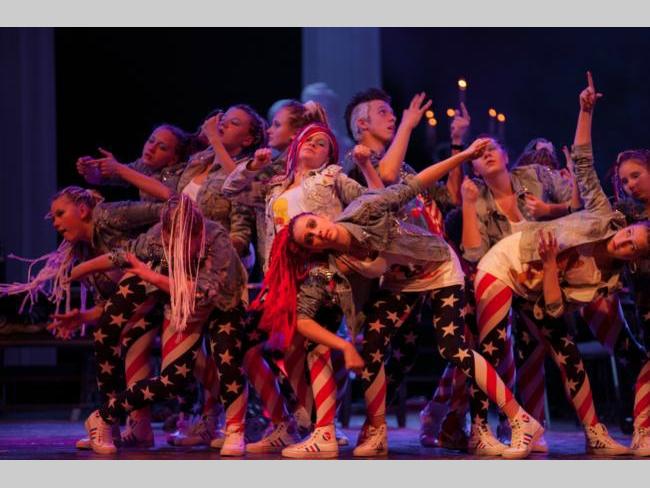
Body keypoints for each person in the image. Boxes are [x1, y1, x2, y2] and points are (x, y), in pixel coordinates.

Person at [257, 137, 545, 459]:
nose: (316, 233)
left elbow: (416, 183)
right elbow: (303, 317)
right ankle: (377, 430)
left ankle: (520, 419)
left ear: (321, 216)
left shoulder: (365, 210)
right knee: (372, 343)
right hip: (401, 283)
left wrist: (464, 154)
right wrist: (345, 346)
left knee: (452, 347)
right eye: (309, 240)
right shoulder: (329, 268)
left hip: (437, 266)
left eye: (312, 225)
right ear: (312, 249)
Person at [472, 72, 647, 456]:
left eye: (631, 247)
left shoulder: (604, 281)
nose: (623, 241)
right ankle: (499, 426)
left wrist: (551, 266)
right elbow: (583, 163)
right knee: (500, 350)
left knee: (569, 353)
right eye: (628, 234)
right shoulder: (603, 215)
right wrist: (586, 111)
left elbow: (554, 307)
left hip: (537, 288)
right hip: (506, 264)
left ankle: (596, 434)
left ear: (633, 258)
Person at [54, 195, 250, 456]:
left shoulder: (217, 239)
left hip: (224, 304)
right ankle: (104, 416)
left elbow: (203, 292)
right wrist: (78, 270)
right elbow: (123, 256)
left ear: (197, 235)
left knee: (226, 357)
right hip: (185, 307)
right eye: (168, 243)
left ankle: (235, 430)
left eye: (180, 245)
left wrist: (150, 275)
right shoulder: (157, 236)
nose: (172, 250)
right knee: (171, 380)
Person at [76, 124, 190, 201]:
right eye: (151, 141)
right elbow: (114, 177)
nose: (151, 148)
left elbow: (168, 197)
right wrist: (94, 172)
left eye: (162, 147)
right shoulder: (144, 165)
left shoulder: (178, 172)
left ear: (173, 159)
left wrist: (118, 168)